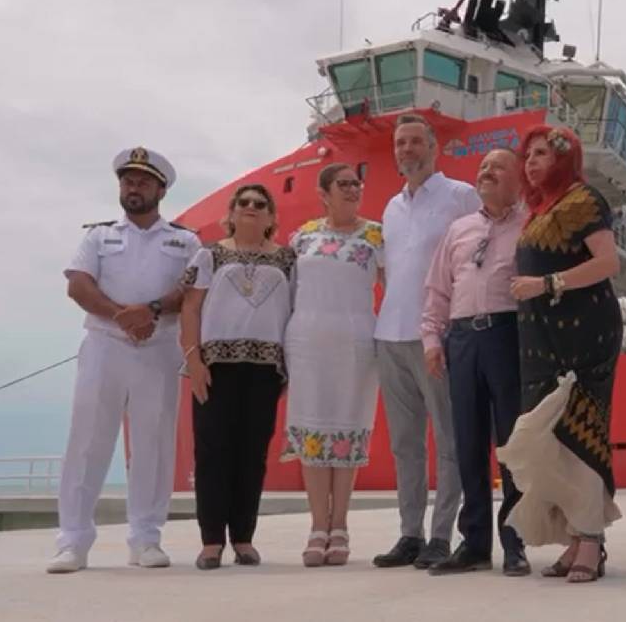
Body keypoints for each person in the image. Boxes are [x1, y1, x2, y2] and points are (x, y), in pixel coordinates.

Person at [49, 147, 200, 574]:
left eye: (143, 182)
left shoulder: (185, 241)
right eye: (128, 180)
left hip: (159, 347)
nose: (134, 187)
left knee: (154, 443)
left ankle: (146, 538)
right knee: (87, 441)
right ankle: (72, 542)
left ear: (161, 190)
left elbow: (191, 290)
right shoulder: (98, 236)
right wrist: (122, 315)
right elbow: (78, 285)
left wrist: (150, 311)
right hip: (105, 346)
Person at [497, 125, 623, 584]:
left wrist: (547, 284)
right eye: (527, 155)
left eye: (542, 154)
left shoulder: (582, 200)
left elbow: (609, 263)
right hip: (541, 340)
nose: (531, 162)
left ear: (564, 157)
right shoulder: (540, 209)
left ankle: (590, 539)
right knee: (549, 440)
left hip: (582, 335)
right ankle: (575, 536)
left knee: (578, 434)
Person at [373, 113, 480, 569]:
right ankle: (410, 533)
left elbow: (475, 258)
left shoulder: (461, 196)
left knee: (449, 438)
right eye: (401, 143)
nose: (407, 150)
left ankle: (441, 535)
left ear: (434, 148)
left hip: (437, 334)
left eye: (416, 141)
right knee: (405, 443)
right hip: (390, 334)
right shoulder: (391, 208)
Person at [422, 148, 531, 577]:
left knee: (512, 442)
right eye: (483, 167)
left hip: (508, 335)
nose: (486, 172)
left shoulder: (530, 224)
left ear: (518, 179)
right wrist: (432, 339)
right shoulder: (459, 229)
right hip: (463, 338)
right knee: (468, 441)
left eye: (497, 167)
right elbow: (437, 289)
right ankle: (474, 543)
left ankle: (515, 542)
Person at [180, 184, 296, 570]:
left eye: (260, 204)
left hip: (265, 368)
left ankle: (244, 538)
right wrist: (194, 360)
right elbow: (191, 309)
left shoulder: (287, 259)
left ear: (271, 216)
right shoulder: (209, 254)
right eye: (243, 202)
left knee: (253, 453)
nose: (251, 207)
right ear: (230, 213)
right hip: (215, 366)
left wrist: (290, 368)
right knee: (212, 451)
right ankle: (211, 541)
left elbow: (294, 311)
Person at [280, 163, 384, 567]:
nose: (353, 189)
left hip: (355, 345)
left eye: (356, 183)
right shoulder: (302, 237)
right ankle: (317, 526)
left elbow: (394, 289)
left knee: (347, 429)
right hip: (307, 344)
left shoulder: (376, 236)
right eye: (343, 184)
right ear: (323, 193)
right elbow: (289, 293)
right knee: (312, 433)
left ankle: (339, 525)